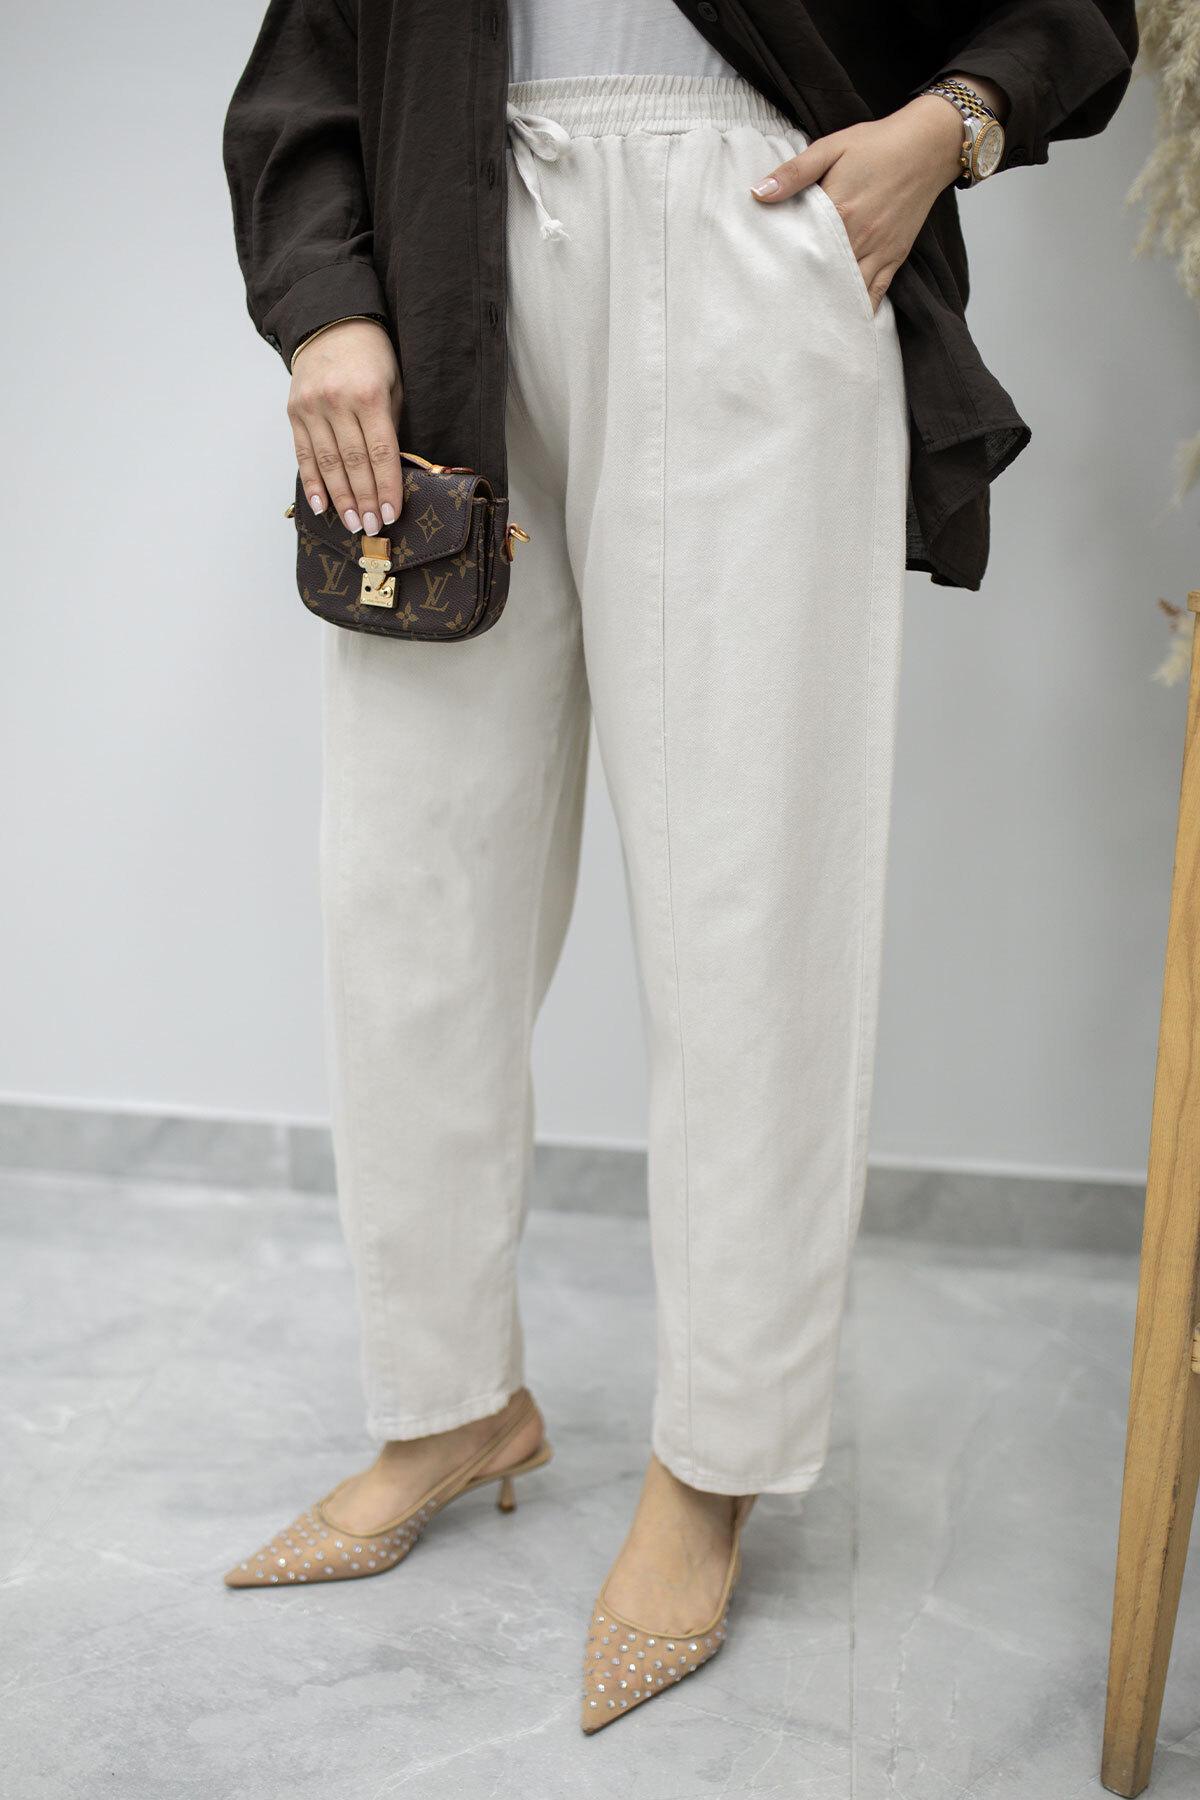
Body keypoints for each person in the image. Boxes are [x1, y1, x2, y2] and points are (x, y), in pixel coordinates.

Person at [220, 0, 1137, 1735]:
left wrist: (950, 124)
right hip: (442, 276)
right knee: (412, 897)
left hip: (756, 242)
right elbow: (312, 62)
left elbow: (1076, 14)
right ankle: (448, 1405)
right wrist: (326, 304)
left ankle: (716, 1457)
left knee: (748, 896)